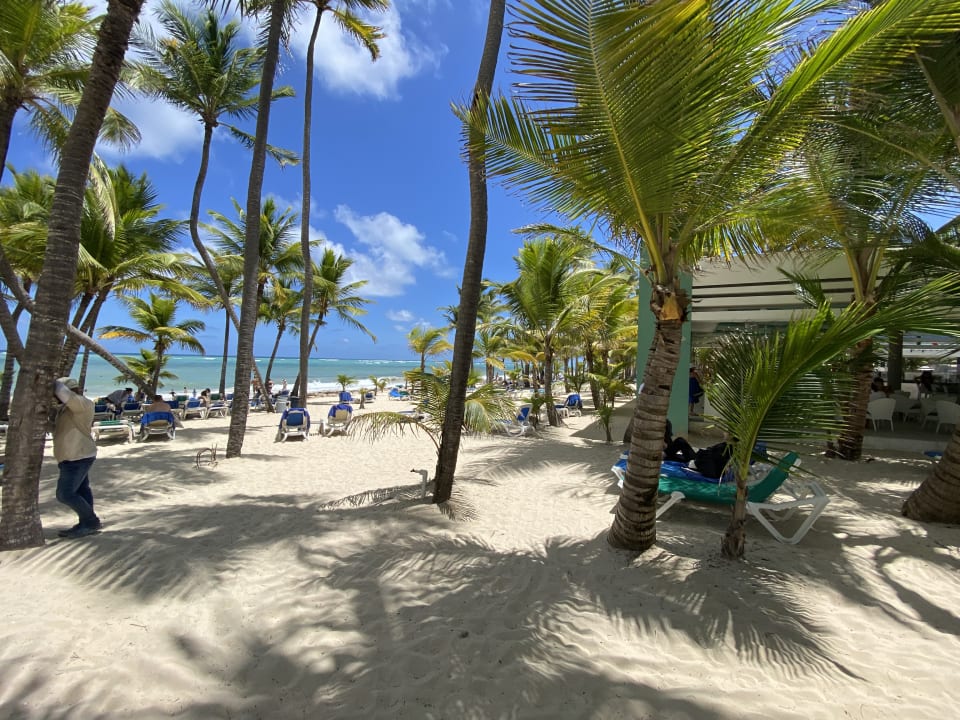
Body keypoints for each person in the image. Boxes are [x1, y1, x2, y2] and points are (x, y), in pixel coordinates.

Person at [52, 377, 101, 539]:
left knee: (65, 494)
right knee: (81, 490)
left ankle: (91, 521)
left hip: (77, 456)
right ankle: (86, 523)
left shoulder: (83, 404)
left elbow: (61, 391)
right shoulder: (65, 409)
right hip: (71, 455)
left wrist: (52, 379)